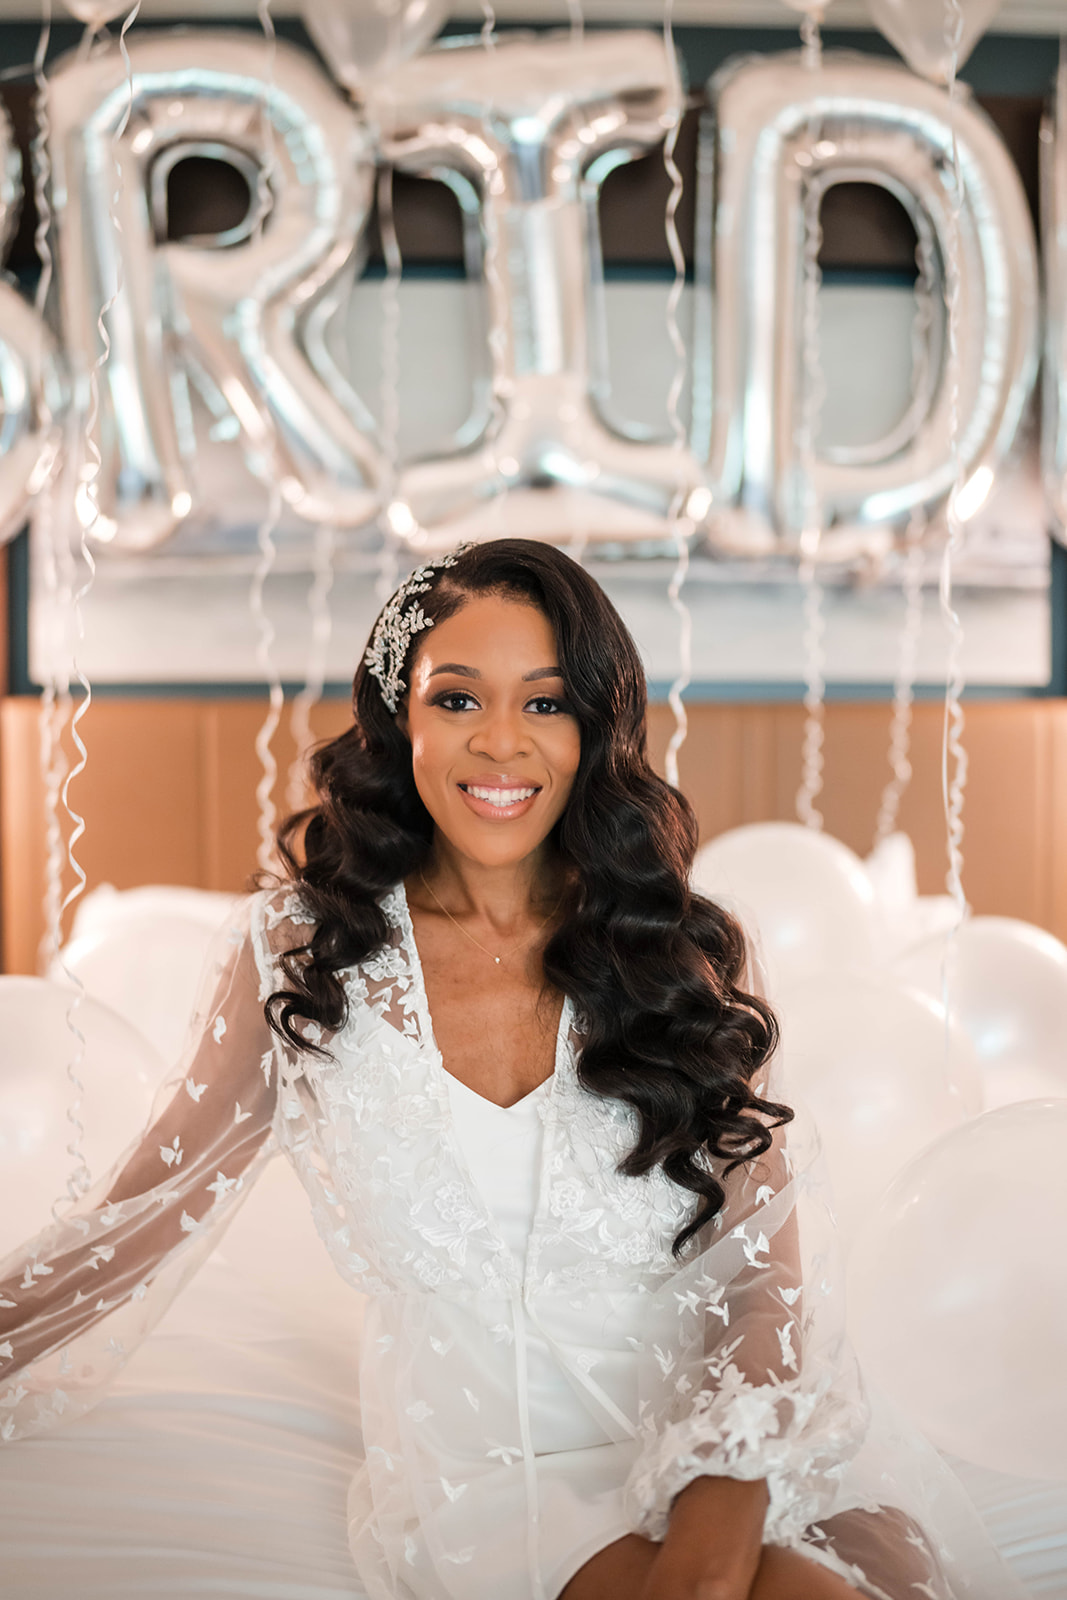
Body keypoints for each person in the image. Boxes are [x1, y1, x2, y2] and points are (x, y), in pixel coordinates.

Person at [0, 539, 1029, 1600]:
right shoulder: (302, 958)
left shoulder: (681, 953)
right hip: (495, 1482)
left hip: (726, 1431)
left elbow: (763, 1280)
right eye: (456, 699)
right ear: (398, 716)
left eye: (543, 705)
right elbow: (133, 1223)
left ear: (595, 727)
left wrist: (716, 1511)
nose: (500, 745)